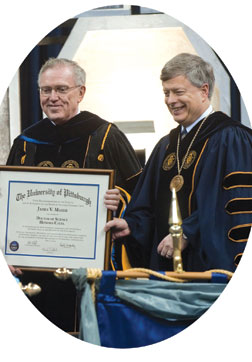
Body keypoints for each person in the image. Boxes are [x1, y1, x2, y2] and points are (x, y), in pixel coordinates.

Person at [6, 57, 142, 331]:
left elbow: (141, 196)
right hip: (32, 271)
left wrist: (121, 200)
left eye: (61, 89)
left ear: (81, 92)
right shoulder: (24, 143)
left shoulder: (106, 136)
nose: (53, 97)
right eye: (46, 90)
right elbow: (5, 206)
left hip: (90, 269)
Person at [105, 52, 252, 273]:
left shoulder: (232, 138)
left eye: (178, 92)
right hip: (166, 271)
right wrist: (131, 225)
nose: (171, 100)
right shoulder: (165, 146)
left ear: (204, 91)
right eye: (166, 93)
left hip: (211, 272)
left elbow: (234, 206)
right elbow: (146, 204)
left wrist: (186, 233)